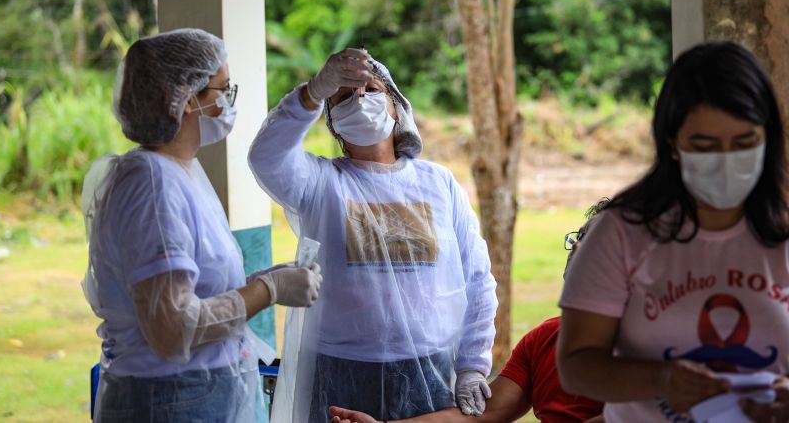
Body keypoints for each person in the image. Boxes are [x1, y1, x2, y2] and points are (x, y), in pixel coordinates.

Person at [81, 28, 323, 422]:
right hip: (167, 399)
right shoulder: (151, 184)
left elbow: (192, 289)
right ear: (183, 98)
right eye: (222, 90)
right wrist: (268, 289)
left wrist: (262, 279)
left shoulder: (181, 170)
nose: (228, 102)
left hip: (193, 395)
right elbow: (171, 327)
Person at [248, 48, 498, 421]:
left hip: (429, 370)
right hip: (341, 370)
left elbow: (476, 278)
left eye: (371, 89)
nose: (360, 98)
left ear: (398, 106)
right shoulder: (319, 182)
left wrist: (472, 364)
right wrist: (313, 93)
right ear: (332, 124)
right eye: (344, 95)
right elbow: (266, 156)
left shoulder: (438, 184)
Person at [556, 41, 789, 423]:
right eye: (705, 146)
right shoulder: (621, 233)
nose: (726, 162)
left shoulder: (782, 229)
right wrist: (660, 380)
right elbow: (576, 365)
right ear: (673, 145)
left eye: (745, 143)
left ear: (769, 138)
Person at [328, 201, 609, 423]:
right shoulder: (544, 338)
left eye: (598, 241)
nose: (579, 247)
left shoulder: (645, 343)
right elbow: (485, 414)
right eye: (580, 237)